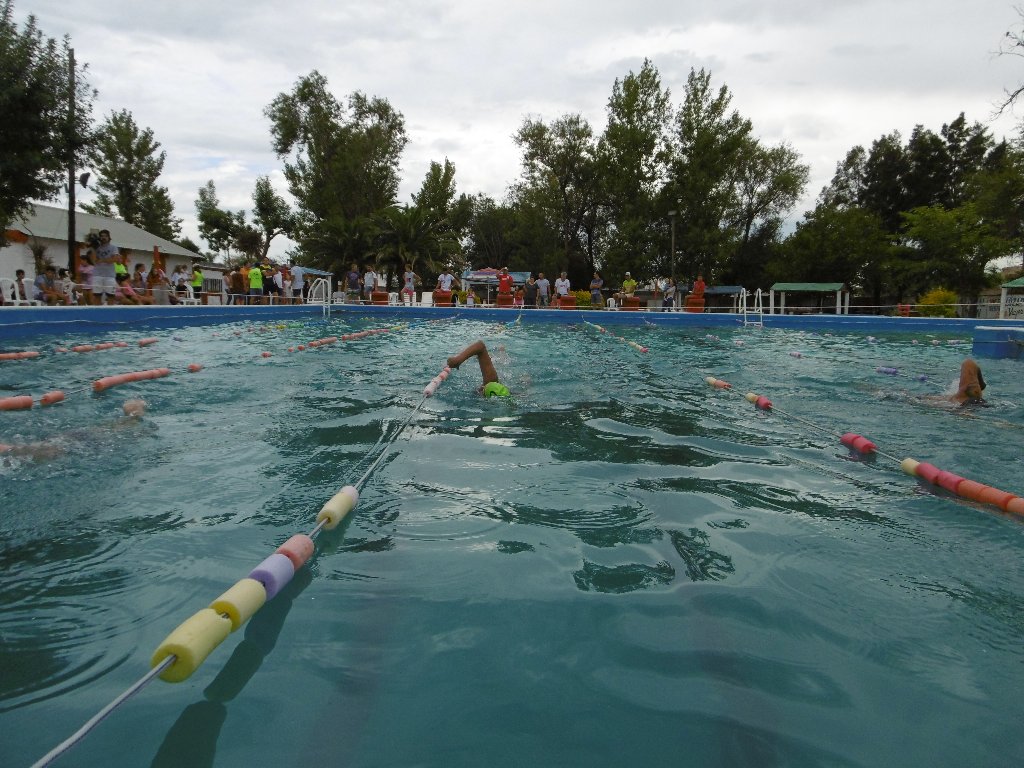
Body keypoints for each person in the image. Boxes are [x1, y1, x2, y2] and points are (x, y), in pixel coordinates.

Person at [91, 229, 119, 305]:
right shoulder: (96, 247)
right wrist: (93, 247)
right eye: (102, 236)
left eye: (105, 236)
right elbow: (93, 261)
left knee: (111, 295)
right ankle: (97, 312)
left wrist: (102, 260)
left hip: (109, 275)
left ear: (109, 237)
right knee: (97, 295)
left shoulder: (113, 247)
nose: (103, 238)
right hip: (97, 274)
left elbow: (116, 259)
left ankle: (110, 312)